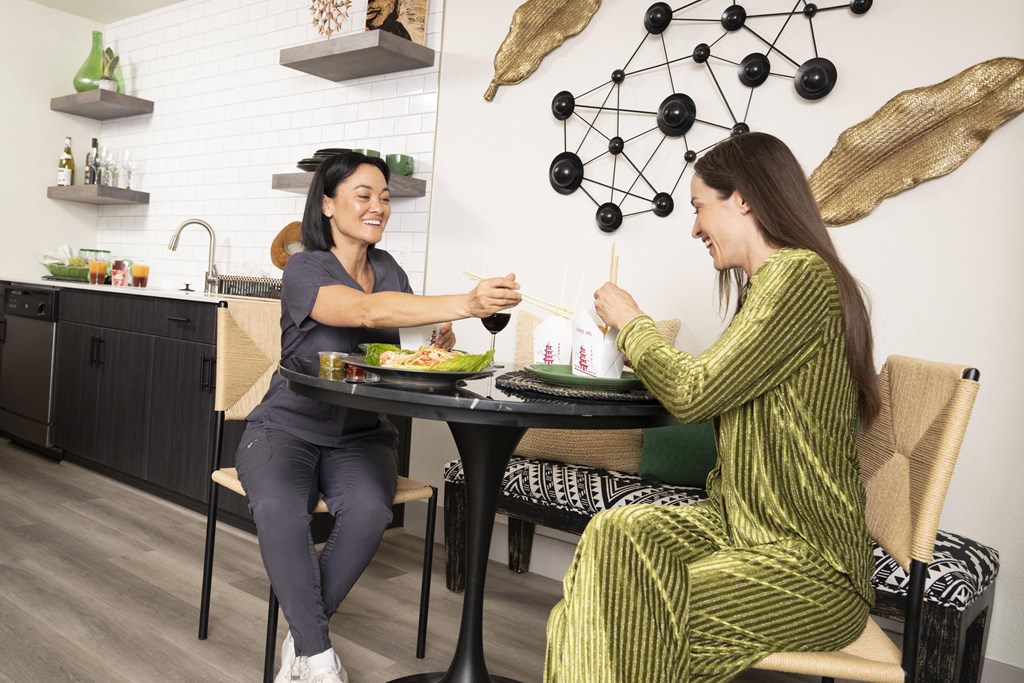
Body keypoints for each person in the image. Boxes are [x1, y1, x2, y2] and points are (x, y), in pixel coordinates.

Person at [544, 132, 880, 682]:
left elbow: (694, 393)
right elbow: (711, 383)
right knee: (614, 532)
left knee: (611, 609)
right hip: (736, 525)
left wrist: (632, 324)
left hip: (810, 566)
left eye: (700, 206)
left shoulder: (801, 277)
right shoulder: (769, 287)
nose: (694, 226)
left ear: (743, 198)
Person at [235, 151, 520, 683]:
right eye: (363, 196)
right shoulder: (304, 266)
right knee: (279, 507)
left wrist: (435, 338)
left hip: (362, 434)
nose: (378, 207)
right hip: (287, 427)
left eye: (384, 197)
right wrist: (466, 301)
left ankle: (301, 638)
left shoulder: (389, 269)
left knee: (369, 511)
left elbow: (398, 330)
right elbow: (366, 312)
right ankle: (321, 663)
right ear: (327, 204)